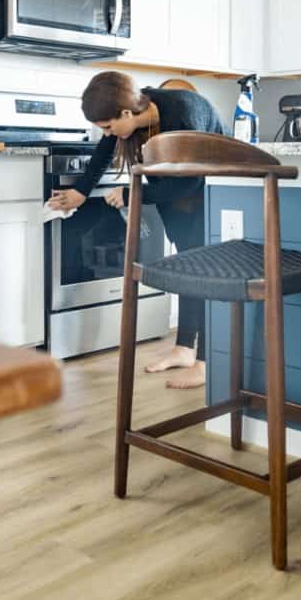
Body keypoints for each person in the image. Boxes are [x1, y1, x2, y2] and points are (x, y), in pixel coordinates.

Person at [48, 71, 224, 389]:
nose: (108, 132)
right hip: (175, 194)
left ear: (127, 113)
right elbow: (105, 150)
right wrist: (81, 192)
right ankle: (185, 349)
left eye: (108, 125)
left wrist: (131, 194)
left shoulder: (183, 112)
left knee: (207, 275)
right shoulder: (129, 107)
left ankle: (207, 363)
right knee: (187, 268)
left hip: (208, 192)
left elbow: (189, 181)